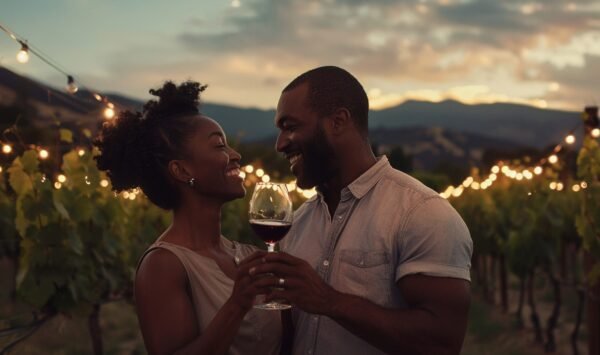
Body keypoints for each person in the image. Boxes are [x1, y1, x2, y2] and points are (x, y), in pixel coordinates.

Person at [247, 66, 473, 355]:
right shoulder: (299, 222)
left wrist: (330, 301)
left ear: (338, 121)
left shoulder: (422, 214)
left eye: (290, 127)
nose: (280, 144)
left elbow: (442, 342)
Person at [94, 81, 281, 355]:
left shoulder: (245, 254)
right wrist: (238, 304)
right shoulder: (163, 266)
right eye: (219, 146)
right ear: (181, 171)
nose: (236, 155)